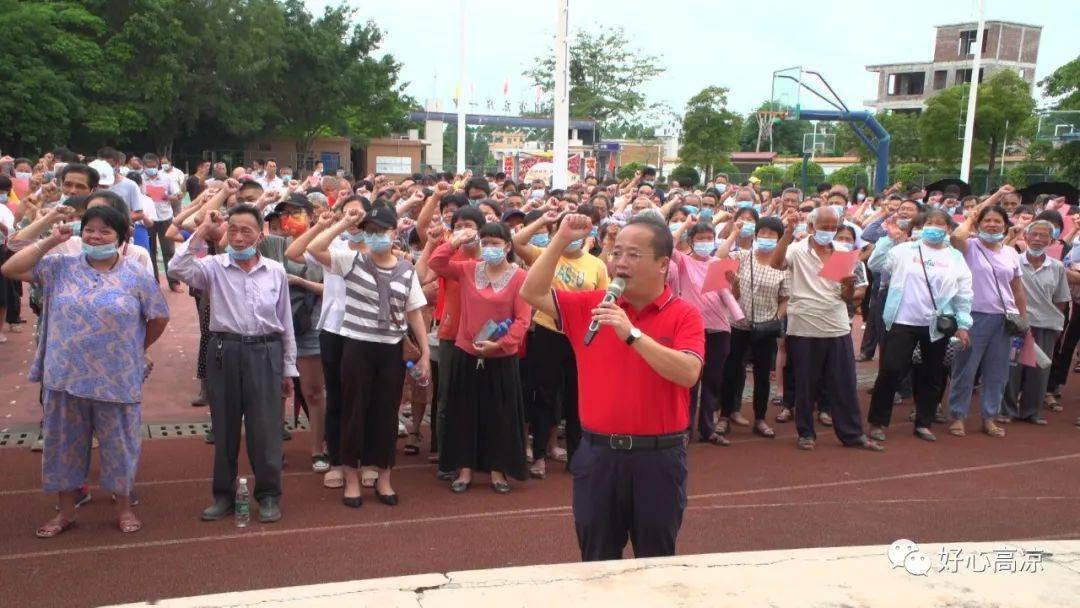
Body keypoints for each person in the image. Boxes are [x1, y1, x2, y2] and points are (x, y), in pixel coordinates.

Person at [521, 213, 704, 561]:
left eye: (634, 255)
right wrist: (559, 239)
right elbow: (531, 292)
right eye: (617, 252)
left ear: (663, 264)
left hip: (658, 458)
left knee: (656, 559)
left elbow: (688, 373)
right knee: (597, 560)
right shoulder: (592, 306)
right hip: (598, 456)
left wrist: (632, 334)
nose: (621, 262)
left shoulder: (684, 314)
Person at [2, 205, 169, 538]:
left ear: (121, 238)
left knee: (120, 445)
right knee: (63, 446)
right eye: (89, 230)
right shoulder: (60, 266)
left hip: (116, 377)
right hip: (65, 377)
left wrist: (135, 349)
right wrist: (51, 238)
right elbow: (10, 267)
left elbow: (158, 317)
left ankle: (123, 507)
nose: (95, 236)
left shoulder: (136, 274)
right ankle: (65, 512)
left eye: (105, 231)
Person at [168, 204, 297, 523]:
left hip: (265, 352)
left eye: (246, 231)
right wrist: (202, 232)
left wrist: (288, 368)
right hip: (225, 351)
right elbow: (176, 267)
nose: (238, 237)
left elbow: (286, 322)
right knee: (224, 428)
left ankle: (268, 495)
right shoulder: (212, 266)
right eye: (233, 230)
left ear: (260, 234)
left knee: (265, 428)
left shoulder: (275, 271)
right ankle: (223, 496)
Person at [306, 203, 430, 507]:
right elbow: (313, 247)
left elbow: (414, 313)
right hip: (357, 346)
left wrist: (425, 354)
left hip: (390, 349)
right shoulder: (351, 261)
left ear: (394, 232)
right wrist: (344, 222)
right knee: (353, 411)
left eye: (381, 231)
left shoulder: (406, 270)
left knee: (386, 415)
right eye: (370, 231)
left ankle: (383, 477)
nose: (376, 237)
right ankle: (352, 479)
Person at [428, 221, 531, 493]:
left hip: (501, 356)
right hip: (467, 351)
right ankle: (464, 469)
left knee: (499, 415)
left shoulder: (520, 276)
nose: (490, 248)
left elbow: (522, 319)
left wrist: (500, 344)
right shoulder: (469, 269)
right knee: (464, 413)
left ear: (508, 247)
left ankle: (498, 470)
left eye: (495, 243)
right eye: (485, 243)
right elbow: (436, 263)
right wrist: (456, 240)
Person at [769, 206, 883, 451]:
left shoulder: (843, 252)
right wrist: (788, 232)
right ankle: (806, 433)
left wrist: (849, 287)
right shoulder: (797, 249)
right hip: (804, 327)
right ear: (811, 227)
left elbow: (848, 297)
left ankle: (852, 434)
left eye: (833, 228)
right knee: (805, 383)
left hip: (837, 325)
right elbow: (776, 263)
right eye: (824, 227)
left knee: (844, 383)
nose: (828, 232)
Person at [511, 209, 609, 477]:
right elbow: (517, 243)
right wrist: (545, 221)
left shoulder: (596, 265)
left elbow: (602, 302)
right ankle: (539, 455)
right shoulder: (545, 256)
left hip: (580, 337)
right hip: (547, 333)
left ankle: (576, 456)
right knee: (544, 395)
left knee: (578, 396)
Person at [866, 210, 973, 442]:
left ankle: (923, 422)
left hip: (937, 324)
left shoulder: (955, 257)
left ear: (948, 228)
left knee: (932, 374)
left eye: (940, 224)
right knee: (891, 369)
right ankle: (877, 421)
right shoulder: (904, 250)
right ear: (922, 226)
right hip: (902, 320)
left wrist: (963, 324)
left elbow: (964, 293)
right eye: (930, 223)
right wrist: (889, 239)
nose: (935, 227)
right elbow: (875, 264)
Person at [285, 194, 368, 488]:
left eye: (359, 214)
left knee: (363, 397)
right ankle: (336, 460)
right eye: (348, 214)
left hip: (367, 330)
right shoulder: (333, 245)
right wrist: (329, 224)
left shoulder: (377, 247)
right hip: (334, 328)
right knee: (335, 395)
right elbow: (295, 251)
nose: (354, 219)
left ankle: (364, 459)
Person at [946, 203, 1027, 438]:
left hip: (1004, 319)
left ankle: (989, 416)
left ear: (1005, 225)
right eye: (987, 221)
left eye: (997, 221)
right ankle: (957, 416)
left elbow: (1018, 289)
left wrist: (1023, 318)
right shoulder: (969, 246)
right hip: (973, 318)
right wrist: (970, 219)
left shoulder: (1011, 253)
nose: (992, 225)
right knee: (965, 369)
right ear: (979, 224)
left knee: (998, 372)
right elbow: (955, 237)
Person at [669, 216, 739, 445]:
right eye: (700, 238)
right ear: (691, 241)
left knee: (712, 381)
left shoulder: (719, 264)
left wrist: (734, 282)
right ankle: (684, 430)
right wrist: (684, 226)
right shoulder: (682, 261)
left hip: (719, 328)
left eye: (710, 238)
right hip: (691, 329)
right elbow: (667, 245)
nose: (706, 242)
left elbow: (732, 297)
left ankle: (708, 429)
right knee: (689, 381)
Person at [718, 216, 789, 440]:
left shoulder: (783, 266)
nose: (767, 238)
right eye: (763, 233)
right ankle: (724, 416)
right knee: (731, 371)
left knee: (761, 375)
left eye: (772, 235)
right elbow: (719, 257)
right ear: (756, 235)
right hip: (739, 324)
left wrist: (776, 318)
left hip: (766, 328)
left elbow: (785, 298)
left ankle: (760, 418)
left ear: (779, 239)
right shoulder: (741, 256)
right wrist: (734, 233)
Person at [1001, 220, 1070, 424]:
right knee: (1013, 368)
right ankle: (1007, 410)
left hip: (1046, 326)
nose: (1038, 239)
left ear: (1052, 240)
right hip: (1018, 325)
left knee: (1039, 371)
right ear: (1026, 237)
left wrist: (1057, 324)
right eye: (1034, 235)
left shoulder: (1057, 267)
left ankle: (1032, 411)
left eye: (1043, 236)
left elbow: (1060, 301)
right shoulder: (1014, 262)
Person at [141, 154, 182, 292]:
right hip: (148, 219)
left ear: (157, 165)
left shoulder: (167, 178)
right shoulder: (140, 180)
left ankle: (173, 282)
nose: (151, 169)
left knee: (169, 250)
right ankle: (154, 282)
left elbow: (178, 196)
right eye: (148, 167)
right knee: (150, 251)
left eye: (153, 167)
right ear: (144, 166)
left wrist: (167, 196)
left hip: (165, 217)